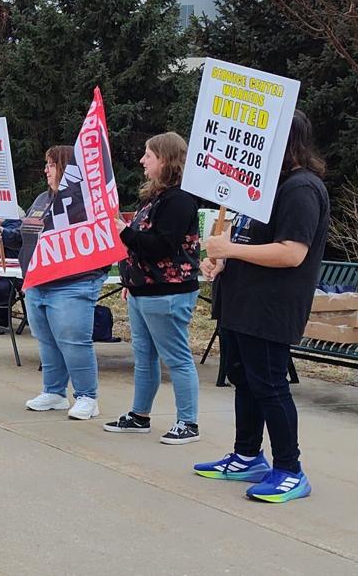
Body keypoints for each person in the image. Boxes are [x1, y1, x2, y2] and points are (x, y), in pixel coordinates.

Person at [194, 110, 329, 503]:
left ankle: (290, 469)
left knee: (270, 386)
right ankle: (247, 454)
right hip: (241, 303)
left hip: (270, 307)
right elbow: (249, 242)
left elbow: (292, 253)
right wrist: (220, 259)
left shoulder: (301, 188)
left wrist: (230, 248)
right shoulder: (262, 189)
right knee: (245, 380)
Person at [104, 132, 202, 444]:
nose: (142, 161)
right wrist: (129, 279)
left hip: (168, 293)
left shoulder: (179, 200)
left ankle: (188, 422)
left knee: (176, 357)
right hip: (143, 290)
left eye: (148, 155)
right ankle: (139, 415)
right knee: (143, 357)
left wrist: (123, 232)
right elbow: (141, 245)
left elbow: (161, 245)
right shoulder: (155, 198)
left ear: (165, 159)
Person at [19, 145, 109, 420]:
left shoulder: (86, 203)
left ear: (67, 169)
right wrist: (6, 234)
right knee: (46, 339)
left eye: (51, 164)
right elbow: (29, 233)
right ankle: (55, 392)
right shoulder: (42, 199)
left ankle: (87, 396)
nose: (46, 170)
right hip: (38, 281)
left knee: (74, 340)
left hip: (74, 282)